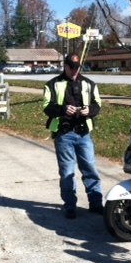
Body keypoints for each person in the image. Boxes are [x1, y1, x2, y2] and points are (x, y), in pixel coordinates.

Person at [43, 54, 103, 219]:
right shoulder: (53, 84)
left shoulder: (89, 84)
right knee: (67, 172)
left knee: (90, 169)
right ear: (65, 66)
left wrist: (89, 111)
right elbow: (46, 107)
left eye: (77, 68)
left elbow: (98, 104)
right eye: (72, 67)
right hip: (64, 134)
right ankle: (70, 206)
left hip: (83, 134)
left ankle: (96, 204)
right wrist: (63, 110)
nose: (75, 71)